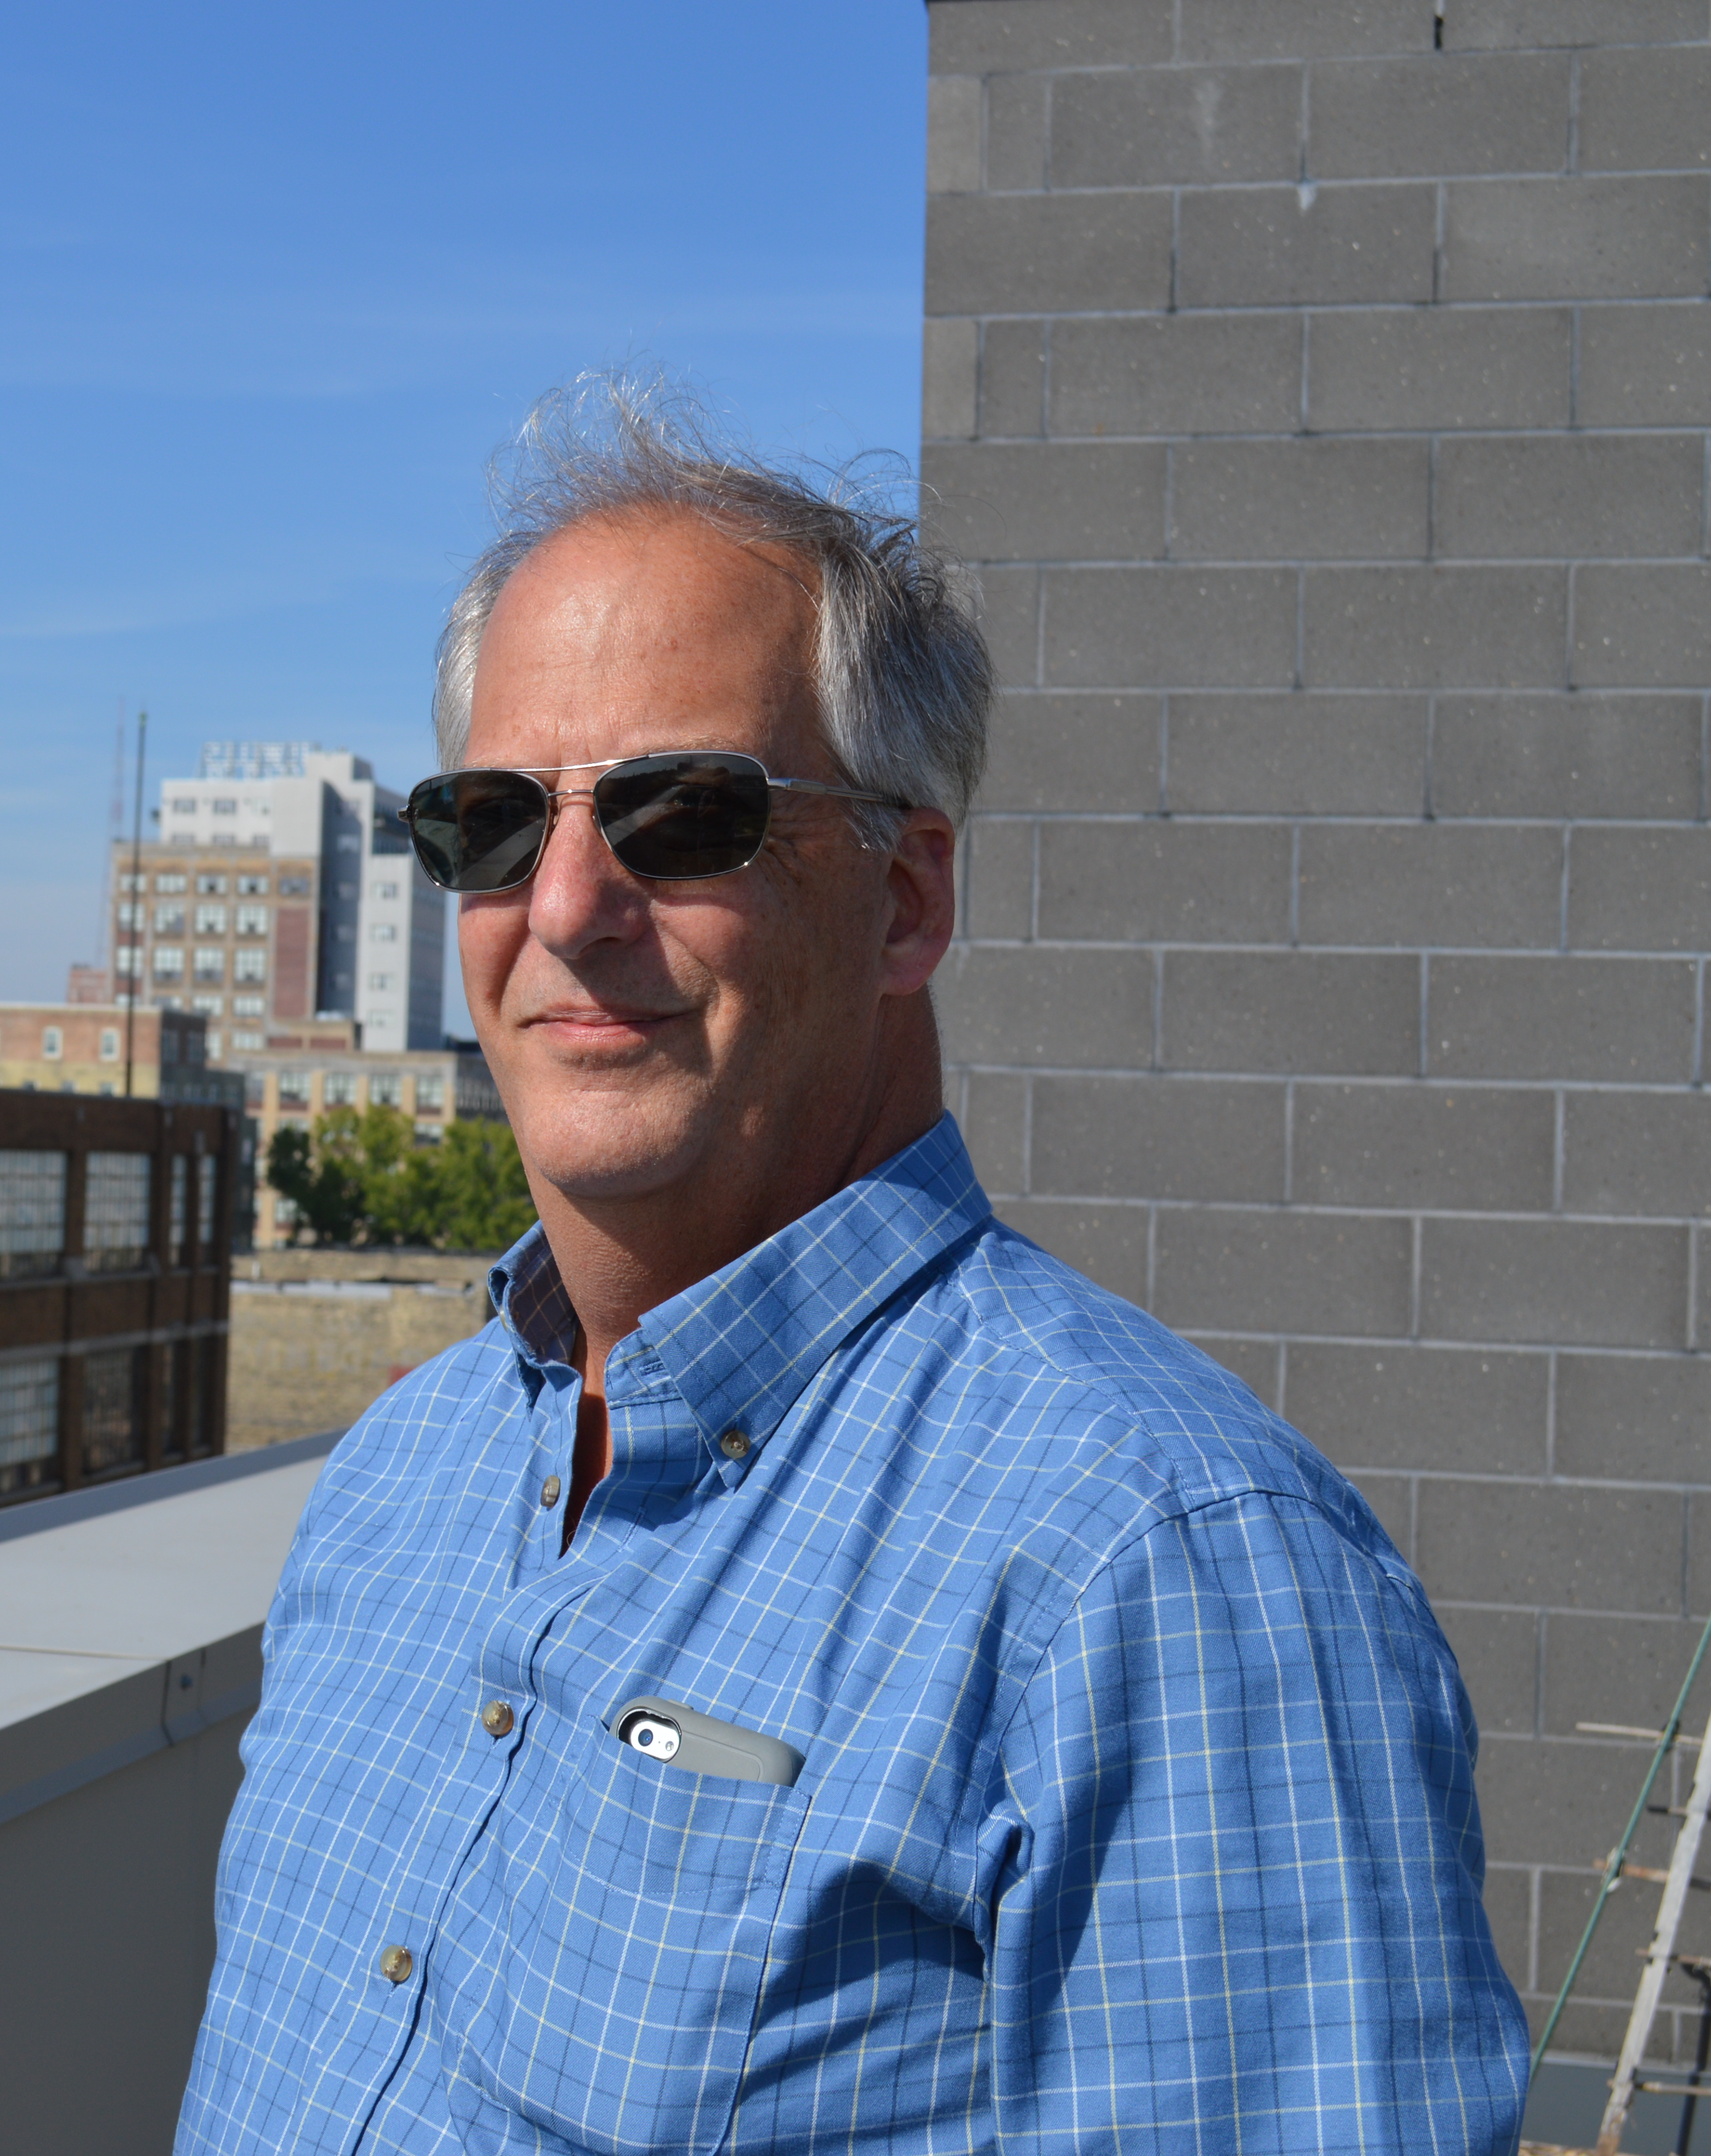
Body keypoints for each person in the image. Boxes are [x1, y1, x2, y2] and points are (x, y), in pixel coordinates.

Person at [173, 375, 1524, 2154]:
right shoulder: (399, 1483)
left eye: (682, 814)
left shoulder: (1168, 1587)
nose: (565, 906)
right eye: (496, 822)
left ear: (906, 902)